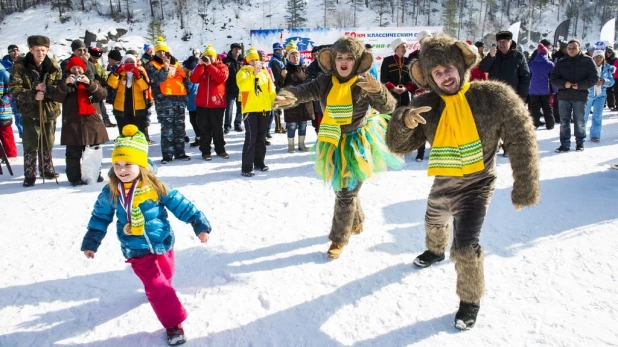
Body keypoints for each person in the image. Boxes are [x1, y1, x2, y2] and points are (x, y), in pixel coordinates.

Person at [386, 34, 540, 330]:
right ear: (429, 77)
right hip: (444, 181)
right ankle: (434, 251)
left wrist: (525, 186)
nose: (445, 76)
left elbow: (522, 137)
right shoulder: (426, 104)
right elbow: (398, 146)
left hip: (477, 184)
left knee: (467, 246)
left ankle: (470, 300)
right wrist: (403, 121)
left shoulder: (492, 96)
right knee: (434, 221)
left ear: (459, 65)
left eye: (448, 68)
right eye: (437, 72)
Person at [80, 124, 212, 346]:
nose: (121, 170)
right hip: (136, 247)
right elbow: (100, 218)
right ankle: (173, 324)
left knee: (166, 275)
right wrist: (91, 242)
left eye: (128, 164)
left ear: (141, 164)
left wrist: (198, 223)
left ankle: (161, 292)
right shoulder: (111, 190)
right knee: (156, 285)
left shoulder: (155, 186)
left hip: (162, 241)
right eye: (117, 164)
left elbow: (181, 205)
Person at [274, 37, 404, 259]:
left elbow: (389, 106)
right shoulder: (325, 81)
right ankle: (358, 219)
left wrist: (377, 90)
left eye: (349, 58)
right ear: (333, 61)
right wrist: (289, 97)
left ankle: (339, 238)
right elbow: (303, 91)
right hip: (332, 139)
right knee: (344, 188)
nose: (344, 62)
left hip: (358, 142)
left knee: (345, 193)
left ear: (357, 62)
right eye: (340, 57)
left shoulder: (364, 82)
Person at [9, 35, 62, 187]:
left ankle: (47, 169)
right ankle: (29, 173)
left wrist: (48, 90)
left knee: (48, 141)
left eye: (43, 50)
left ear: (48, 50)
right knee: (31, 142)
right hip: (30, 111)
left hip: (50, 109)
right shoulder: (20, 66)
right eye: (37, 50)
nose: (40, 53)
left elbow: (60, 87)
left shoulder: (53, 65)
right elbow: (14, 88)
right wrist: (33, 94)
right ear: (31, 50)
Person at [52, 56, 109, 186]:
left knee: (93, 151)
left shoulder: (92, 80)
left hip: (91, 122)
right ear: (69, 69)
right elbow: (57, 97)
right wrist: (65, 84)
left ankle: (94, 174)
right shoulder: (65, 82)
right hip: (73, 121)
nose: (77, 71)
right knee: (73, 153)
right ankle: (74, 178)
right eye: (73, 68)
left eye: (79, 68)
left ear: (83, 69)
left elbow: (102, 94)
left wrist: (90, 84)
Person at [146, 36, 191, 164]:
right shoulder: (151, 65)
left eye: (164, 51)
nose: (162, 53)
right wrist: (165, 68)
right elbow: (157, 79)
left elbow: (184, 79)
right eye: (159, 51)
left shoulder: (176, 64)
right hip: (164, 101)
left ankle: (180, 153)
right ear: (155, 52)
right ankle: (167, 155)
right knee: (167, 129)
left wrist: (186, 95)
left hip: (179, 100)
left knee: (180, 128)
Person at [550, 39, 598, 153]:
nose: (571, 50)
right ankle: (565, 144)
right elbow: (553, 79)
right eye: (569, 48)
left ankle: (580, 143)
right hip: (563, 96)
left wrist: (581, 85)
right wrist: (563, 84)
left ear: (579, 49)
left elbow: (594, 78)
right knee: (564, 121)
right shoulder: (561, 62)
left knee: (579, 121)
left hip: (580, 96)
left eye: (574, 48)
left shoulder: (588, 61)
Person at [237, 48, 276, 177]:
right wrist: (254, 73)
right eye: (252, 60)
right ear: (248, 61)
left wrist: (274, 101)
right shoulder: (243, 72)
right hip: (250, 109)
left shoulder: (265, 73)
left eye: (256, 59)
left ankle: (259, 163)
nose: (255, 62)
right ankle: (247, 167)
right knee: (251, 138)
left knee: (261, 137)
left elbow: (271, 89)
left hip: (264, 109)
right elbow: (244, 87)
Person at [190, 44, 230, 161]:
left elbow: (221, 78)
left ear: (215, 56)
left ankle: (220, 150)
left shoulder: (222, 66)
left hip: (217, 103)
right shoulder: (201, 67)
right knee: (204, 129)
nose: (208, 58)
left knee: (217, 128)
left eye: (210, 56)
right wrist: (200, 66)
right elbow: (194, 79)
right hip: (202, 104)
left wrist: (210, 66)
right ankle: (205, 151)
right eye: (206, 56)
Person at [107, 54, 151, 138]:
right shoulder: (119, 73)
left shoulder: (140, 72)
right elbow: (112, 85)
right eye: (126, 62)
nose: (129, 64)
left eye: (131, 62)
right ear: (122, 62)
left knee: (139, 133)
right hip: (121, 108)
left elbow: (145, 87)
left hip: (138, 108)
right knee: (124, 132)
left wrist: (138, 77)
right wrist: (116, 73)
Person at [479, 31, 530, 101]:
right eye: (499, 41)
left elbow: (525, 76)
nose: (502, 44)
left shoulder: (519, 56)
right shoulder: (493, 55)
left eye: (504, 41)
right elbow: (482, 68)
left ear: (510, 42)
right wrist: (490, 57)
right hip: (494, 95)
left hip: (513, 96)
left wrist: (522, 96)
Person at [281, 48, 313, 153]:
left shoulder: (304, 68)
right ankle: (291, 145)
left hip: (304, 101)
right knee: (292, 125)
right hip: (291, 101)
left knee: (303, 124)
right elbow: (279, 85)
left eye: (297, 56)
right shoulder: (285, 69)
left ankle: (301, 144)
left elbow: (310, 83)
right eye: (293, 56)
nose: (295, 58)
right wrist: (282, 77)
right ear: (289, 58)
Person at [583, 50, 615, 142]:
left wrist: (604, 81)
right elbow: (583, 79)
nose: (598, 59)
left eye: (600, 57)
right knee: (584, 115)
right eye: (597, 56)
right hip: (588, 94)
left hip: (601, 95)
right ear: (593, 57)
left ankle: (595, 135)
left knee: (597, 116)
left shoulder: (607, 68)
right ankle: (581, 133)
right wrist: (591, 82)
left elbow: (612, 81)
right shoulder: (588, 67)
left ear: (603, 58)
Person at [528, 43, 555, 129]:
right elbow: (553, 78)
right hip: (545, 90)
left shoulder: (532, 63)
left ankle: (534, 123)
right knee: (547, 106)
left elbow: (529, 75)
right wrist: (554, 89)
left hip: (533, 89)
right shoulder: (550, 64)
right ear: (546, 53)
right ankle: (550, 124)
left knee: (534, 107)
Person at [88, 46, 116, 128]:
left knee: (101, 105)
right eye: (94, 57)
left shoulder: (97, 65)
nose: (96, 59)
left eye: (97, 58)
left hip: (99, 88)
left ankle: (105, 120)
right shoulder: (88, 64)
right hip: (92, 88)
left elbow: (102, 74)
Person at [2, 44, 23, 138]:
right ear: (9, 52)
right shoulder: (3, 64)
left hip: (21, 90)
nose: (15, 52)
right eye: (13, 51)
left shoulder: (23, 62)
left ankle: (23, 134)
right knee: (12, 115)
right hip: (8, 93)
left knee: (20, 114)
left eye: (17, 50)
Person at [222, 43, 244, 133]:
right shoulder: (225, 60)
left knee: (240, 108)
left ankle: (237, 124)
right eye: (236, 49)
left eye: (239, 49)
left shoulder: (242, 60)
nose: (238, 51)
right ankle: (227, 126)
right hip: (229, 88)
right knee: (229, 108)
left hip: (240, 89)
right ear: (232, 50)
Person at [0, 63, 17, 162]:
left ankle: (11, 155)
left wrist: (4, 99)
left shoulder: (3, 73)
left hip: (2, 110)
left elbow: (12, 89)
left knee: (6, 132)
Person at [269, 42, 287, 133]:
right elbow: (278, 76)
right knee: (277, 107)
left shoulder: (279, 59)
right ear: (278, 50)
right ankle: (278, 127)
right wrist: (283, 76)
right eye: (282, 50)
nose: (284, 51)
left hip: (279, 86)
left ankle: (279, 126)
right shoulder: (274, 61)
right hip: (277, 86)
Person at [182, 56, 200, 147]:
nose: (182, 68)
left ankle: (199, 137)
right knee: (195, 121)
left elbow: (188, 90)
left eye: (184, 67)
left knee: (194, 121)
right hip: (193, 102)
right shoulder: (192, 75)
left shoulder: (189, 78)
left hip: (193, 103)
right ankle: (199, 137)